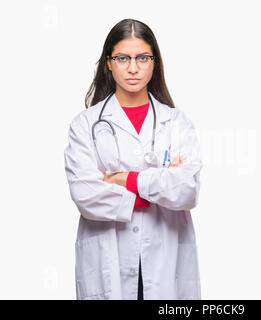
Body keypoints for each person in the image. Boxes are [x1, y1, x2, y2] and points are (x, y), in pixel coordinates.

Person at [64, 18, 203, 300]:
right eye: (123, 58)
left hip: (166, 258)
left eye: (142, 57)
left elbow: (187, 190)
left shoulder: (176, 123)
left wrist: (125, 180)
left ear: (154, 62)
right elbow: (86, 194)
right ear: (109, 63)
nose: (133, 67)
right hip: (108, 257)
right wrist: (159, 186)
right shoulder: (85, 125)